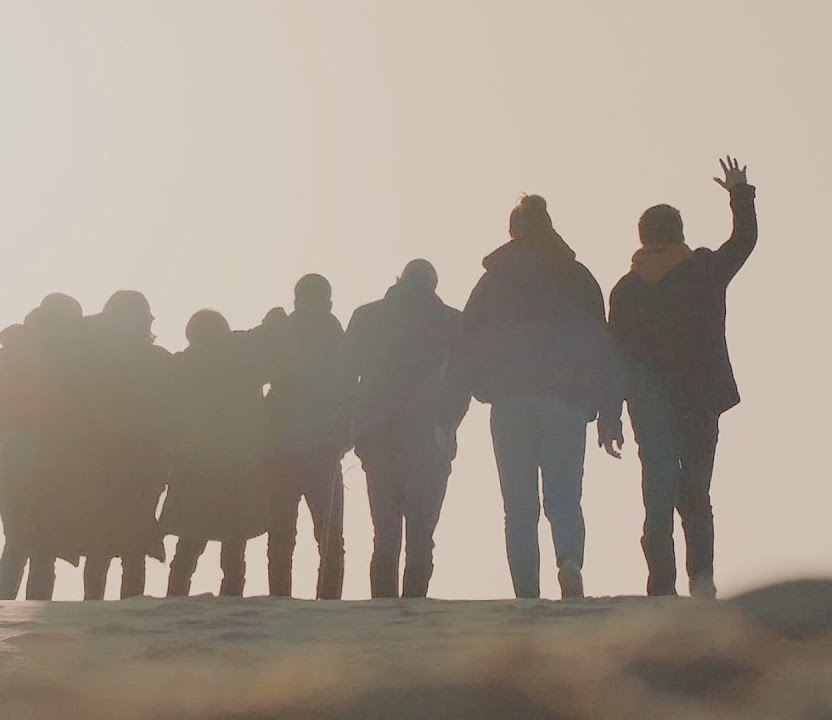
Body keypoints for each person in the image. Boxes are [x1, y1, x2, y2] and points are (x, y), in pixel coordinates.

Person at [445, 195, 619, 599]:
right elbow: (602, 347)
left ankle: (526, 591)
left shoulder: (494, 281)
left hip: (510, 401)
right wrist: (610, 412)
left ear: (513, 231)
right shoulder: (577, 276)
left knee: (518, 504)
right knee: (563, 494)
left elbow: (466, 346)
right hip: (566, 400)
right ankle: (569, 560)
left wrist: (450, 412)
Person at [602, 157, 758, 600]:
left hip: (649, 405)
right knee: (695, 494)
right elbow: (743, 242)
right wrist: (739, 193)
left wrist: (609, 415)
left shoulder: (627, 290)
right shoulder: (703, 271)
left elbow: (616, 358)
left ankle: (660, 586)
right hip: (700, 399)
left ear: (642, 237)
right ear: (680, 234)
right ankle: (702, 581)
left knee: (657, 496)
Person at [339, 260, 462, 599]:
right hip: (429, 435)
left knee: (385, 530)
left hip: (377, 434)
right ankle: (414, 609)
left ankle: (383, 608)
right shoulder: (451, 321)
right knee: (422, 534)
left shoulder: (367, 316)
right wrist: (448, 422)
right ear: (433, 285)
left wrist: (351, 423)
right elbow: (460, 381)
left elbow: (344, 374)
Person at [161, 307, 291, 597]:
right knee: (234, 546)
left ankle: (174, 601)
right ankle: (232, 602)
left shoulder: (181, 366)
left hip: (194, 465)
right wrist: (274, 322)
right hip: (238, 465)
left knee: (189, 544)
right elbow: (265, 346)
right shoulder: (242, 359)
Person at [0, 292, 84, 601]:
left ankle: (5, 610)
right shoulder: (62, 355)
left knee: (18, 541)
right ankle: (33, 613)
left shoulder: (13, 350)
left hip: (12, 449)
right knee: (41, 546)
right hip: (41, 451)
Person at [77, 290, 171, 600]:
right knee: (134, 543)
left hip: (101, 460)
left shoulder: (93, 360)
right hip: (145, 462)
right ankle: (131, 609)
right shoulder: (159, 361)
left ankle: (93, 607)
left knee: (99, 543)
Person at [265, 274, 348, 599]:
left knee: (281, 533)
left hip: (282, 446)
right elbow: (348, 391)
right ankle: (328, 601)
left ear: (296, 299)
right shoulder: (338, 335)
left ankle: (279, 598)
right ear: (327, 301)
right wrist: (344, 436)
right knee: (329, 536)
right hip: (324, 447)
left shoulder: (282, 331)